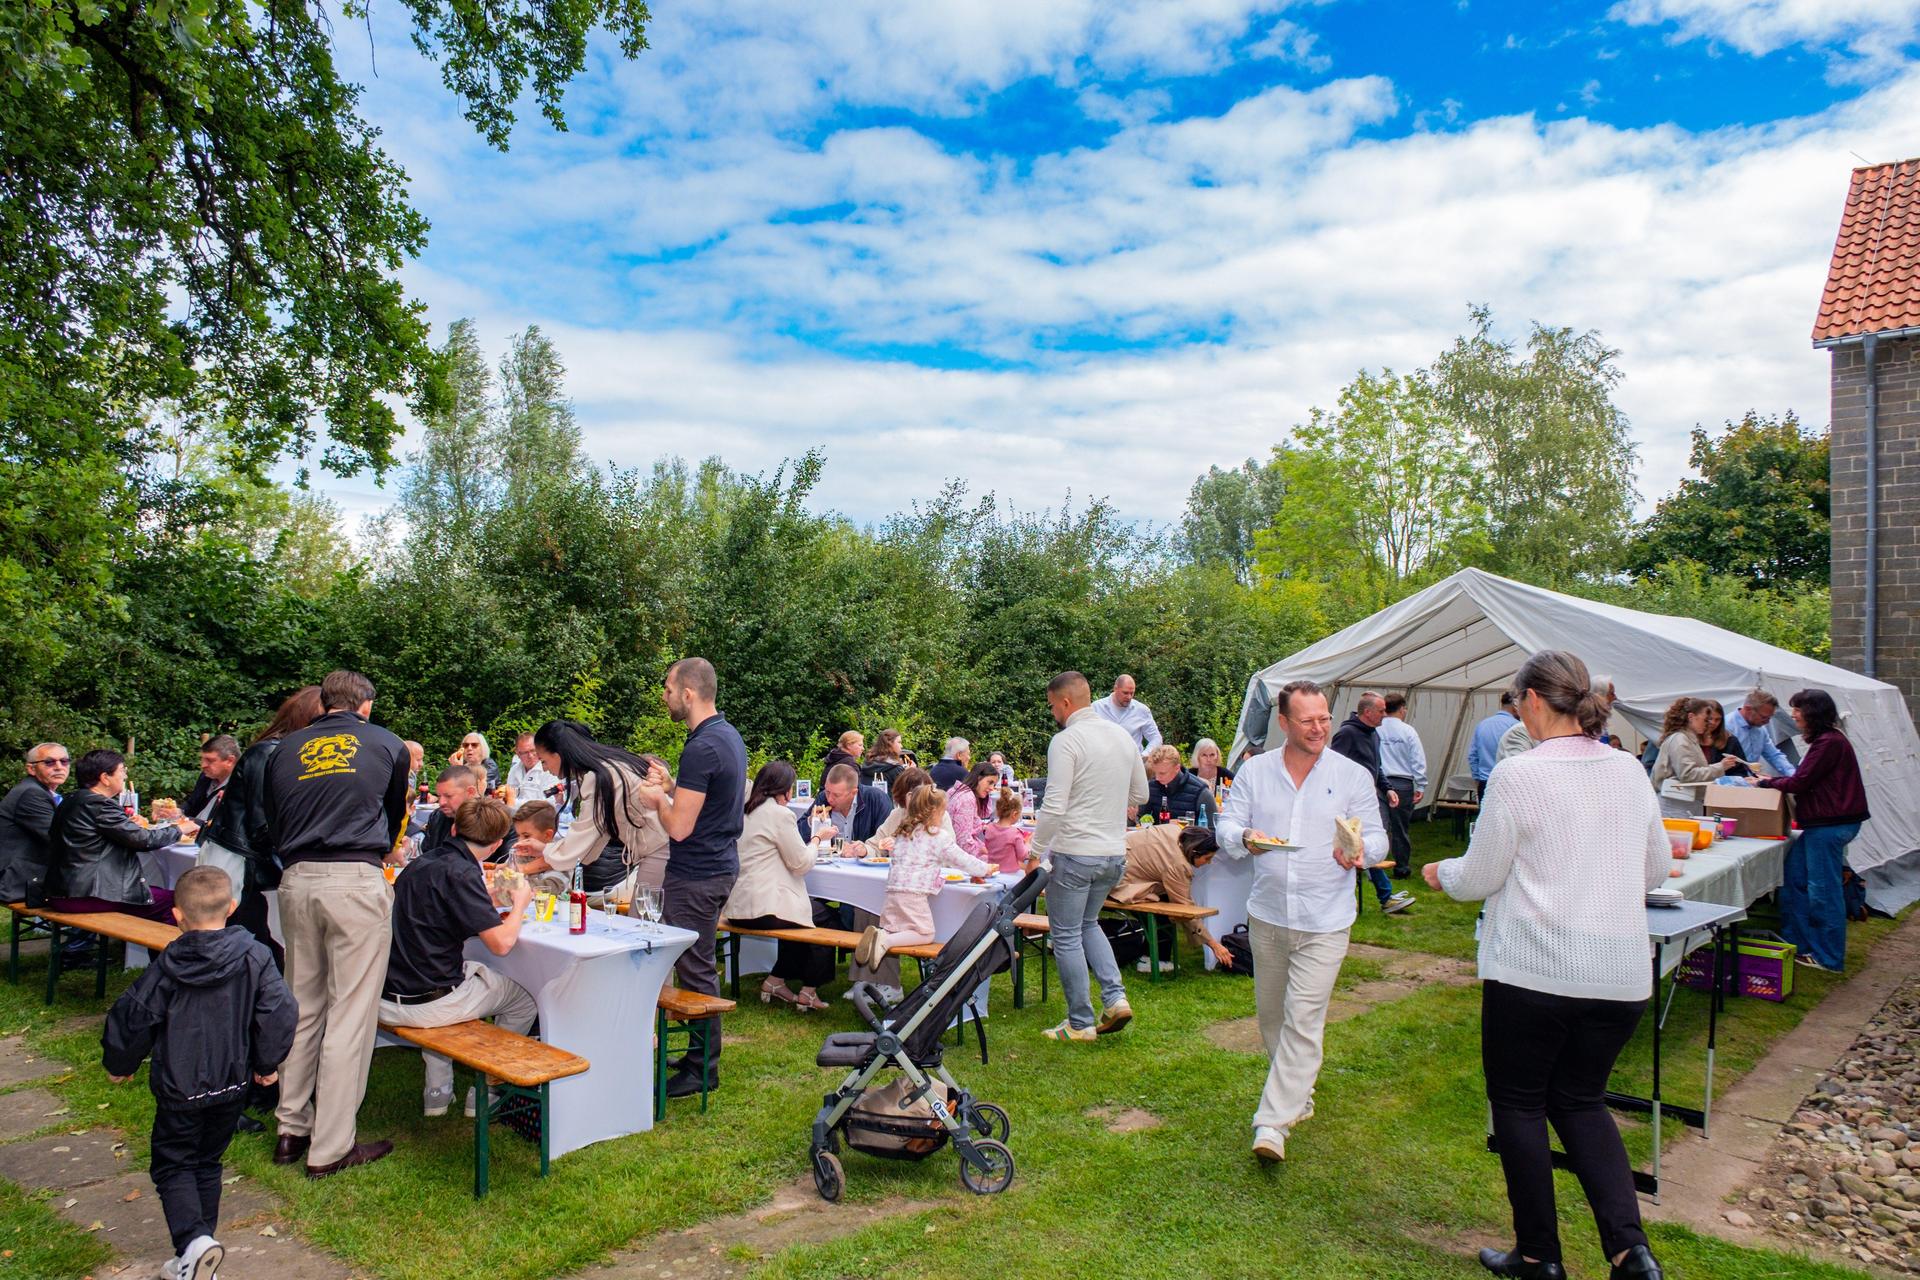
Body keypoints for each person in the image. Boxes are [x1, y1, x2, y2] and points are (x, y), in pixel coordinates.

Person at [1423, 650, 1669, 1280]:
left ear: (1532, 699)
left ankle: (1539, 1255)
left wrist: (1439, 872)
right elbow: (1655, 870)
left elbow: (1480, 875)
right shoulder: (1628, 770)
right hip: (1619, 975)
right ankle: (1629, 1250)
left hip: (1534, 971)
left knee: (1521, 1106)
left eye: (1515, 704)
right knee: (1583, 1103)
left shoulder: (1519, 775)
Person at [1215, 679, 1385, 1164]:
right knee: (1272, 1017)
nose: (1319, 728)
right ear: (1284, 723)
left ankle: (1272, 1123)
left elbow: (1378, 839)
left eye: (1325, 718)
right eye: (1308, 720)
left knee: (1304, 1018)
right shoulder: (1256, 771)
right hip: (1268, 914)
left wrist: (1359, 851)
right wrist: (1244, 836)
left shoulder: (1351, 775)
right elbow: (1227, 823)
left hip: (1325, 917)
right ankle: (1298, 1093)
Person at [101, 866, 296, 1280]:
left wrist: (120, 1065)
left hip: (180, 1087)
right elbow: (279, 1011)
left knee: (174, 1165)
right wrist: (265, 1065)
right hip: (230, 1084)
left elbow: (133, 1015)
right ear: (232, 906)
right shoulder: (256, 956)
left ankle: (193, 1242)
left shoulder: (168, 965)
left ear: (176, 915)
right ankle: (197, 1253)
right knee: (207, 1162)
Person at [265, 669, 409, 1178]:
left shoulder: (285, 749)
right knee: (349, 1014)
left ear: (325, 704)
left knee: (302, 1005)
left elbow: (273, 818)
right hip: (354, 878)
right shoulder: (388, 744)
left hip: (298, 878)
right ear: (365, 705)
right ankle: (329, 1147)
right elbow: (393, 819)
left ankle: (290, 1128)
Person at [379, 796, 538, 1118]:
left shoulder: (420, 865)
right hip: (428, 1004)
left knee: (468, 975)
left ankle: (437, 1092)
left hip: (388, 995)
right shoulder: (463, 874)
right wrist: (520, 903)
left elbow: (440, 908)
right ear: (495, 845)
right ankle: (489, 1087)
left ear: (454, 828)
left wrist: (486, 897)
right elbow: (502, 944)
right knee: (524, 999)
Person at [636, 657, 746, 1099]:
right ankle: (699, 1058)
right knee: (696, 963)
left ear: (687, 693)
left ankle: (703, 1069)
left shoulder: (701, 746)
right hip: (717, 865)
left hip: (697, 872)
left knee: (696, 968)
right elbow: (707, 798)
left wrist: (656, 799)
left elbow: (679, 826)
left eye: (667, 688)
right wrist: (672, 784)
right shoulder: (726, 735)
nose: (663, 696)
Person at [1029, 671, 1148, 1042]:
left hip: (1076, 851)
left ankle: (1080, 1022)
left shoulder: (1066, 741)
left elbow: (1055, 804)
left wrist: (1034, 852)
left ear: (1065, 702)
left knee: (1065, 935)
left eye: (1051, 706)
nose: (1052, 713)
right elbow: (1140, 794)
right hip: (1113, 852)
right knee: (1089, 924)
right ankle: (1115, 998)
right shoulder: (1122, 737)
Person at [199, 685, 324, 966]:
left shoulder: (287, 753)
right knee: (248, 939)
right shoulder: (267, 753)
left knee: (262, 941)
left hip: (255, 860)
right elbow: (261, 819)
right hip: (239, 861)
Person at [1755, 689, 1870, 974]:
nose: (1793, 714)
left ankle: (1828, 958)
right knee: (1794, 879)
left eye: (1798, 709)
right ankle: (1797, 942)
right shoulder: (1828, 740)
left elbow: (1801, 782)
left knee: (1823, 892)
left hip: (1830, 826)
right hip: (1825, 825)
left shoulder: (1829, 742)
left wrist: (1766, 783)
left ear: (1812, 712)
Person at [723, 761, 834, 1012]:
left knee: (802, 916)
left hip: (738, 907)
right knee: (827, 919)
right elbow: (801, 863)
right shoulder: (780, 814)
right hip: (764, 909)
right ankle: (809, 989)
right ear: (783, 789)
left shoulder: (745, 811)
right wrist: (817, 838)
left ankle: (776, 980)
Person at [518, 722, 669, 896]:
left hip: (660, 849)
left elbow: (582, 839)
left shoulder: (598, 779)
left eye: (544, 761)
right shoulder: (609, 765)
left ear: (559, 755)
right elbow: (592, 839)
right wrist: (544, 849)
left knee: (643, 919)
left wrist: (522, 868)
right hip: (663, 847)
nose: (544, 768)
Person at [47, 750, 195, 922]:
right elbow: (144, 840)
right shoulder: (99, 804)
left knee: (160, 895)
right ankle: (170, 948)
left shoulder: (73, 799)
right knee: (181, 901)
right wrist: (180, 829)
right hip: (88, 894)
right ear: (105, 778)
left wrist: (130, 825)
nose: (125, 775)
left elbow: (107, 835)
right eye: (122, 770)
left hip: (65, 889)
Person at [853, 784, 992, 966]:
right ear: (934, 812)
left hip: (892, 892)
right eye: (943, 812)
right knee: (925, 933)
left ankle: (883, 936)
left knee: (895, 929)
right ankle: (884, 940)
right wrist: (985, 869)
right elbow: (961, 859)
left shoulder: (903, 834)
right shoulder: (938, 836)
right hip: (913, 894)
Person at [1328, 693, 1414, 915]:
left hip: (1369, 799)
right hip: (1347, 804)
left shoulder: (1373, 734)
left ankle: (1384, 896)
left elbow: (1377, 767)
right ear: (1367, 712)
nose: (1385, 715)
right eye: (1381, 711)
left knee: (1370, 844)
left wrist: (1387, 789)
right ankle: (1382, 897)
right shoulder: (1347, 734)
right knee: (1356, 847)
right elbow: (1332, 767)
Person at [1114, 823, 1231, 974]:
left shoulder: (1175, 829)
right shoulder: (1178, 865)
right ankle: (1151, 960)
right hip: (1118, 883)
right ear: (1194, 852)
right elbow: (1186, 910)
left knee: (1164, 902)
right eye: (1207, 858)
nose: (1208, 862)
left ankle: (1153, 957)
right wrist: (1215, 945)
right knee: (1166, 910)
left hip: (1114, 863)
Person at [0, 742, 69, 904]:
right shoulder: (31, 794)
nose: (59, 767)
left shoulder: (39, 791)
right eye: (49, 762)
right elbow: (60, 838)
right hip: (16, 881)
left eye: (64, 761)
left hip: (27, 875)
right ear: (31, 769)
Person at [1376, 695, 1426, 879]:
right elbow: (1417, 759)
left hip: (1379, 781)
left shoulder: (1376, 729)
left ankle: (1375, 866)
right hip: (1402, 783)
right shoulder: (1408, 731)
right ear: (1402, 709)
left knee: (1379, 826)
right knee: (1400, 828)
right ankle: (1401, 868)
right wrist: (1420, 784)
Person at [1649, 698, 1745, 793]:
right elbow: (1687, 775)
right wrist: (1721, 767)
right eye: (1705, 720)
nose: (1708, 723)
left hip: (1683, 802)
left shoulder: (1687, 739)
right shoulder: (1680, 739)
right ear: (1691, 717)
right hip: (1675, 802)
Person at [805, 762, 894, 855]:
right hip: (832, 864)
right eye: (827, 792)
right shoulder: (823, 798)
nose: (829, 799)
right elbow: (797, 839)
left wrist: (863, 850)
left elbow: (886, 841)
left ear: (854, 792)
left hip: (865, 866)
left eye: (836, 795)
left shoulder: (876, 799)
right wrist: (811, 822)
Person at [1135, 744, 1218, 824]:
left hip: (1188, 837)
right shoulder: (1151, 787)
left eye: (1162, 773)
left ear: (1177, 768)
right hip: (1156, 836)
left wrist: (1183, 828)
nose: (1157, 778)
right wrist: (1134, 818)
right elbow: (1141, 821)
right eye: (1155, 773)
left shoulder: (1201, 792)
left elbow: (1211, 831)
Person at [1724, 689, 1796, 778]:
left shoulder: (1760, 730)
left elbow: (1773, 755)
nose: (1767, 722)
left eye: (1770, 718)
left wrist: (1793, 775)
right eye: (1764, 717)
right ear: (1748, 709)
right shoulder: (1726, 726)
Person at [1093, 673, 1163, 752]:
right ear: (1115, 689)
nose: (1129, 697)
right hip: (1104, 762)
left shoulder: (1141, 710)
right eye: (1125, 693)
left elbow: (1156, 738)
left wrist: (1144, 755)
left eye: (1132, 693)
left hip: (1134, 762)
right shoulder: (1097, 708)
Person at [1469, 692, 1520, 800]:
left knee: (1486, 815)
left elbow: (1473, 756)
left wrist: (1477, 779)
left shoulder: (1482, 724)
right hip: (1508, 783)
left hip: (1485, 782)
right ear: (1515, 706)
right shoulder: (1516, 727)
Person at [181, 736, 242, 824]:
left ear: (230, 761)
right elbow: (191, 805)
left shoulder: (241, 786)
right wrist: (177, 812)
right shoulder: (206, 777)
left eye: (209, 760)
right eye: (202, 759)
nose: (203, 765)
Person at [945, 762, 999, 858]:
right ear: (978, 778)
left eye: (994, 784)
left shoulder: (956, 790)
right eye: (990, 782)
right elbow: (963, 842)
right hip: (956, 858)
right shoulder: (967, 798)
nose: (992, 788)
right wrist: (985, 851)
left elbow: (985, 813)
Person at [504, 733, 566, 809]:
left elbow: (549, 803)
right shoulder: (515, 769)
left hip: (539, 817)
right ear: (518, 753)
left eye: (533, 751)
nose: (530, 756)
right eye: (525, 753)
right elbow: (509, 793)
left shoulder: (548, 769)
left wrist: (513, 802)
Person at [980, 788, 1031, 875]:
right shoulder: (1015, 833)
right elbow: (1022, 856)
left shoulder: (989, 827)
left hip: (993, 872)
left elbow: (988, 847)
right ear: (1014, 814)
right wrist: (1027, 844)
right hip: (1011, 874)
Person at [1698, 703, 1753, 779]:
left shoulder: (1730, 740)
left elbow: (1741, 771)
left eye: (1717, 719)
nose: (1713, 723)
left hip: (1723, 786)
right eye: (1710, 718)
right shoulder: (1692, 739)